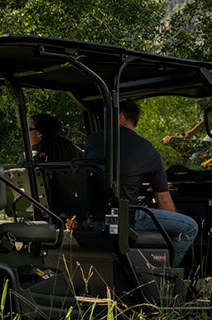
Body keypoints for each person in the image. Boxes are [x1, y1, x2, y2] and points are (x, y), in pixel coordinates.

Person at [84, 101, 198, 265]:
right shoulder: (147, 149)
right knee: (189, 227)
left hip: (93, 217)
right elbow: (164, 201)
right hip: (127, 217)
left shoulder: (92, 140)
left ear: (120, 116)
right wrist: (175, 218)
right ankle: (166, 278)